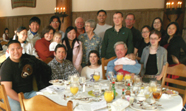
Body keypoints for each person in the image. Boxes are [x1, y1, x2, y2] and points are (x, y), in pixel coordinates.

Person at [0, 40, 36, 111]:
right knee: (18, 109)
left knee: (44, 102)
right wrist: (22, 100)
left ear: (22, 49)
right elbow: (7, 90)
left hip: (29, 93)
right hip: (12, 95)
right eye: (12, 49)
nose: (16, 51)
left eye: (18, 48)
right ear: (8, 51)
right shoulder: (6, 67)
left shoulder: (26, 61)